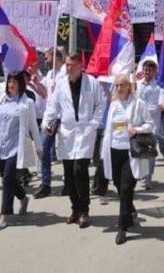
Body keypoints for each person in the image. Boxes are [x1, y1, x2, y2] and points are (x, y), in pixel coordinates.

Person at [42, 52, 106, 228]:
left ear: (80, 65)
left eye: (71, 65)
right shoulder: (61, 85)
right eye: (67, 65)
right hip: (67, 134)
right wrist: (47, 123)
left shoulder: (92, 83)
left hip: (85, 132)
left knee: (80, 171)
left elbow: (101, 104)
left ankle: (84, 210)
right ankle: (75, 208)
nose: (68, 68)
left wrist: (93, 123)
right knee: (69, 175)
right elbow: (52, 106)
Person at [0, 71, 43, 231]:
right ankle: (23, 198)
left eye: (14, 82)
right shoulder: (3, 100)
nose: (11, 85)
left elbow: (32, 125)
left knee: (7, 180)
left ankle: (4, 215)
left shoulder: (27, 103)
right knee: (7, 178)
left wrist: (39, 146)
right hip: (2, 145)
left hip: (17, 147)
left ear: (20, 84)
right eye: (9, 81)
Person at [102, 74, 154, 245]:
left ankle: (122, 227)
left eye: (122, 85)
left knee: (125, 187)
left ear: (129, 86)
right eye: (116, 85)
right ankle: (130, 210)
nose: (119, 88)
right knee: (118, 185)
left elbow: (150, 124)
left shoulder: (138, 104)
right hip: (114, 150)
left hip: (131, 152)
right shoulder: (114, 105)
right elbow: (111, 128)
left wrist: (136, 129)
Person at [33, 48, 66, 199]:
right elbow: (45, 94)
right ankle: (45, 184)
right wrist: (35, 84)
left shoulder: (66, 71)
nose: (44, 60)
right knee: (44, 147)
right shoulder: (50, 74)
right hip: (52, 116)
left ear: (55, 57)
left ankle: (69, 183)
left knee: (66, 151)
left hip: (66, 116)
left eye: (46, 57)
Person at [135, 60, 162, 190]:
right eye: (145, 70)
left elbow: (153, 107)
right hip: (139, 124)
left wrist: (142, 108)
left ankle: (148, 178)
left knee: (149, 153)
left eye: (149, 70)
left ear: (155, 71)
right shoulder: (138, 85)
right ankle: (144, 175)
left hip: (152, 124)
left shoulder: (157, 88)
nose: (146, 72)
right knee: (142, 152)